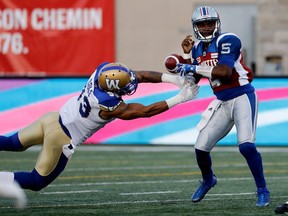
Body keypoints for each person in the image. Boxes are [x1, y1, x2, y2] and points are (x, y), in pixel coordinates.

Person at [0, 62, 199, 201]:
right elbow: (145, 111)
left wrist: (175, 80)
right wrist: (180, 98)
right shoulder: (107, 103)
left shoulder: (103, 72)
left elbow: (140, 75)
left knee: (12, 143)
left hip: (52, 118)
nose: (130, 88)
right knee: (37, 181)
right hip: (62, 138)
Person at [176, 6, 270, 207]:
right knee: (200, 148)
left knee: (246, 146)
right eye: (202, 24)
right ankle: (209, 179)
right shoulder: (196, 48)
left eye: (210, 23)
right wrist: (184, 59)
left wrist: (190, 65)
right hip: (221, 101)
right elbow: (193, 78)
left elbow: (225, 72)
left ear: (217, 23)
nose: (207, 27)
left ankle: (263, 190)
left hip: (242, 96)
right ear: (196, 26)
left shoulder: (228, 39)